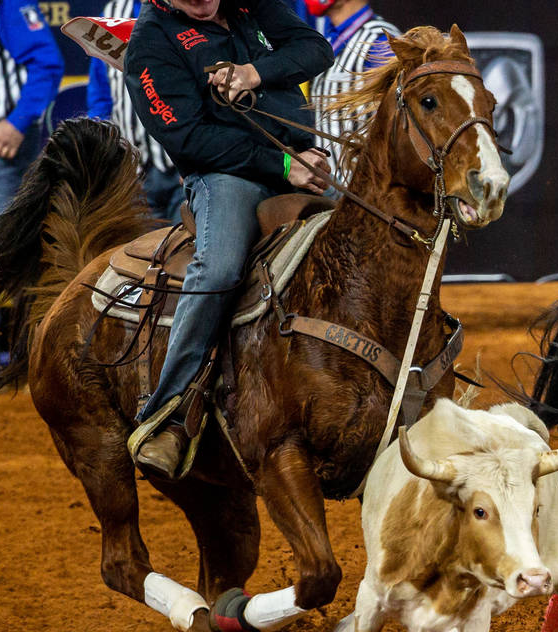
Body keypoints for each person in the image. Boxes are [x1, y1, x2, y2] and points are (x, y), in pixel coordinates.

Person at [126, 0, 333, 478]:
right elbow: (186, 137)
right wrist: (284, 166)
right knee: (217, 268)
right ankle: (169, 415)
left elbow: (315, 49)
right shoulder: (152, 42)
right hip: (225, 177)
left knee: (361, 243)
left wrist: (252, 73)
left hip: (300, 160)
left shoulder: (248, 4)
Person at [0, 0, 63, 381]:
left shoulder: (2, 5)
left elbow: (47, 63)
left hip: (4, 146)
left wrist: (17, 121)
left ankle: (29, 359)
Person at [87, 0, 185, 223]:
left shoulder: (190, 9)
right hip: (134, 172)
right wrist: (104, 152)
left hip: (183, 167)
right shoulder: (112, 13)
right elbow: (101, 95)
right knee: (137, 253)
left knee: (185, 250)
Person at [304, 0, 399, 178]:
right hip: (334, 186)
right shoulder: (329, 38)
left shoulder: (380, 40)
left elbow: (400, 123)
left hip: (365, 189)